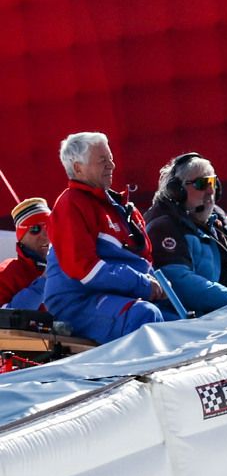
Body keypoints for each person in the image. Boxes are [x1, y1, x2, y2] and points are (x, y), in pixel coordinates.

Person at [43, 132, 166, 343]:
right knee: (144, 315)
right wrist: (144, 285)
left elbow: (145, 261)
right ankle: (147, 374)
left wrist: (164, 288)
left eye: (110, 158)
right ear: (78, 168)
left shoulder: (120, 208)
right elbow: (84, 269)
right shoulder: (71, 204)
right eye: (102, 160)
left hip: (116, 293)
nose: (112, 165)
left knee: (180, 312)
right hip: (77, 301)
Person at [144, 152, 227, 315]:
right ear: (177, 191)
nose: (210, 190)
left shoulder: (216, 220)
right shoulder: (163, 227)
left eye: (212, 182)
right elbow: (181, 283)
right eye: (201, 184)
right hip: (204, 322)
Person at [0, 198, 51, 309]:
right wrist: (44, 281)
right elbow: (5, 320)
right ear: (21, 237)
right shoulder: (6, 273)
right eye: (35, 229)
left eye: (49, 227)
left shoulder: (69, 271)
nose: (46, 235)